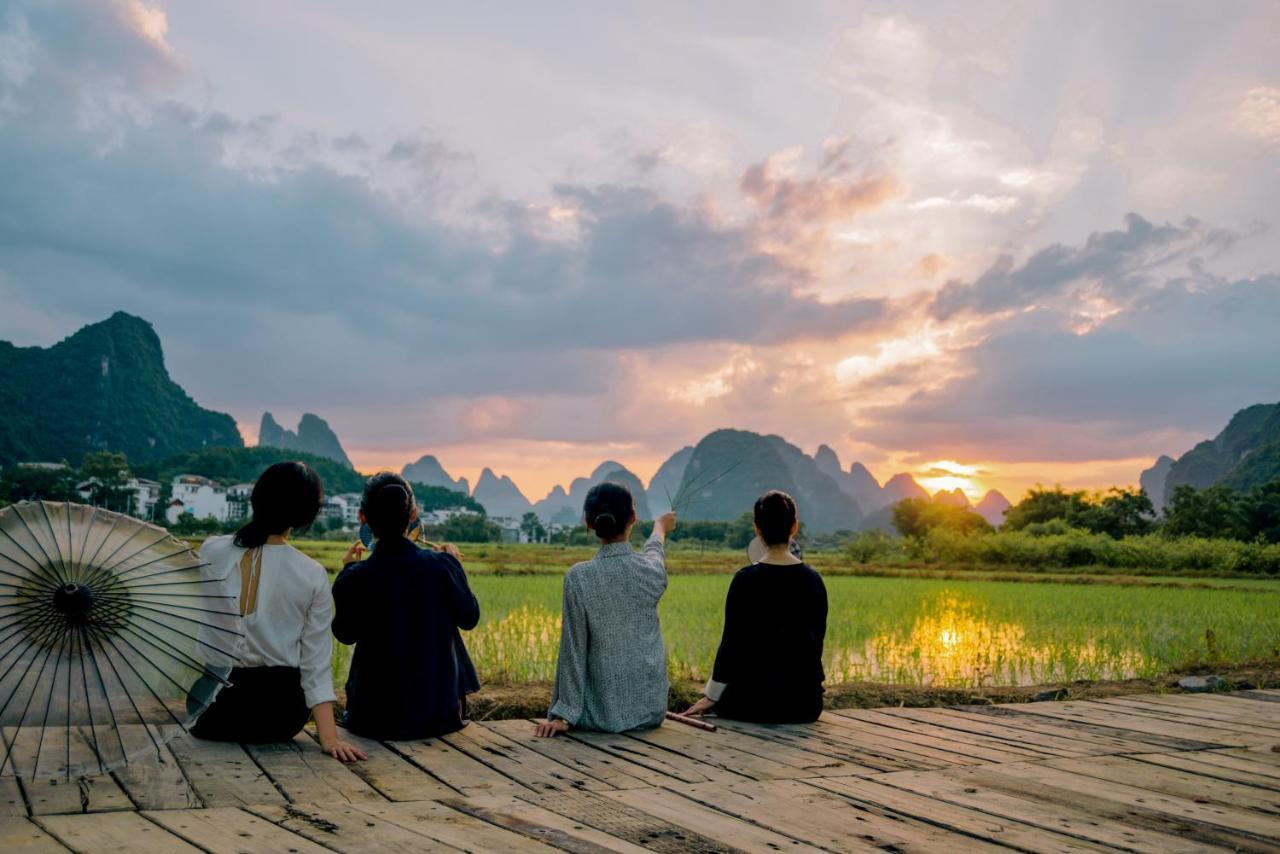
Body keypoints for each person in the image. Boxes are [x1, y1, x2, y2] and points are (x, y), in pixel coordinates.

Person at [192, 462, 365, 763]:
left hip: (212, 710)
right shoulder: (311, 574)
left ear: (256, 498)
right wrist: (330, 738)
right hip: (280, 716)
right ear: (305, 515)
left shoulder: (210, 551)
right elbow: (315, 663)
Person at [332, 472, 480, 739]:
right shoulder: (442, 566)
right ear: (413, 514)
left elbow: (345, 633)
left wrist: (347, 571)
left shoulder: (356, 576)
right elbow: (469, 618)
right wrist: (457, 568)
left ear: (362, 517)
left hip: (373, 718)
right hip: (439, 717)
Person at [535, 483, 676, 738]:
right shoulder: (650, 571)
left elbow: (573, 649)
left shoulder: (579, 577)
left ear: (588, 523)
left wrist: (564, 714)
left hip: (603, 714)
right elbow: (655, 553)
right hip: (652, 711)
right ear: (633, 518)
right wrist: (659, 528)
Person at [684, 490, 827, 723]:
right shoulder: (814, 580)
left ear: (757, 529)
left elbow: (730, 645)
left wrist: (711, 696)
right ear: (794, 527)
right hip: (804, 706)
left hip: (749, 704)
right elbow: (815, 645)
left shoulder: (745, 580)